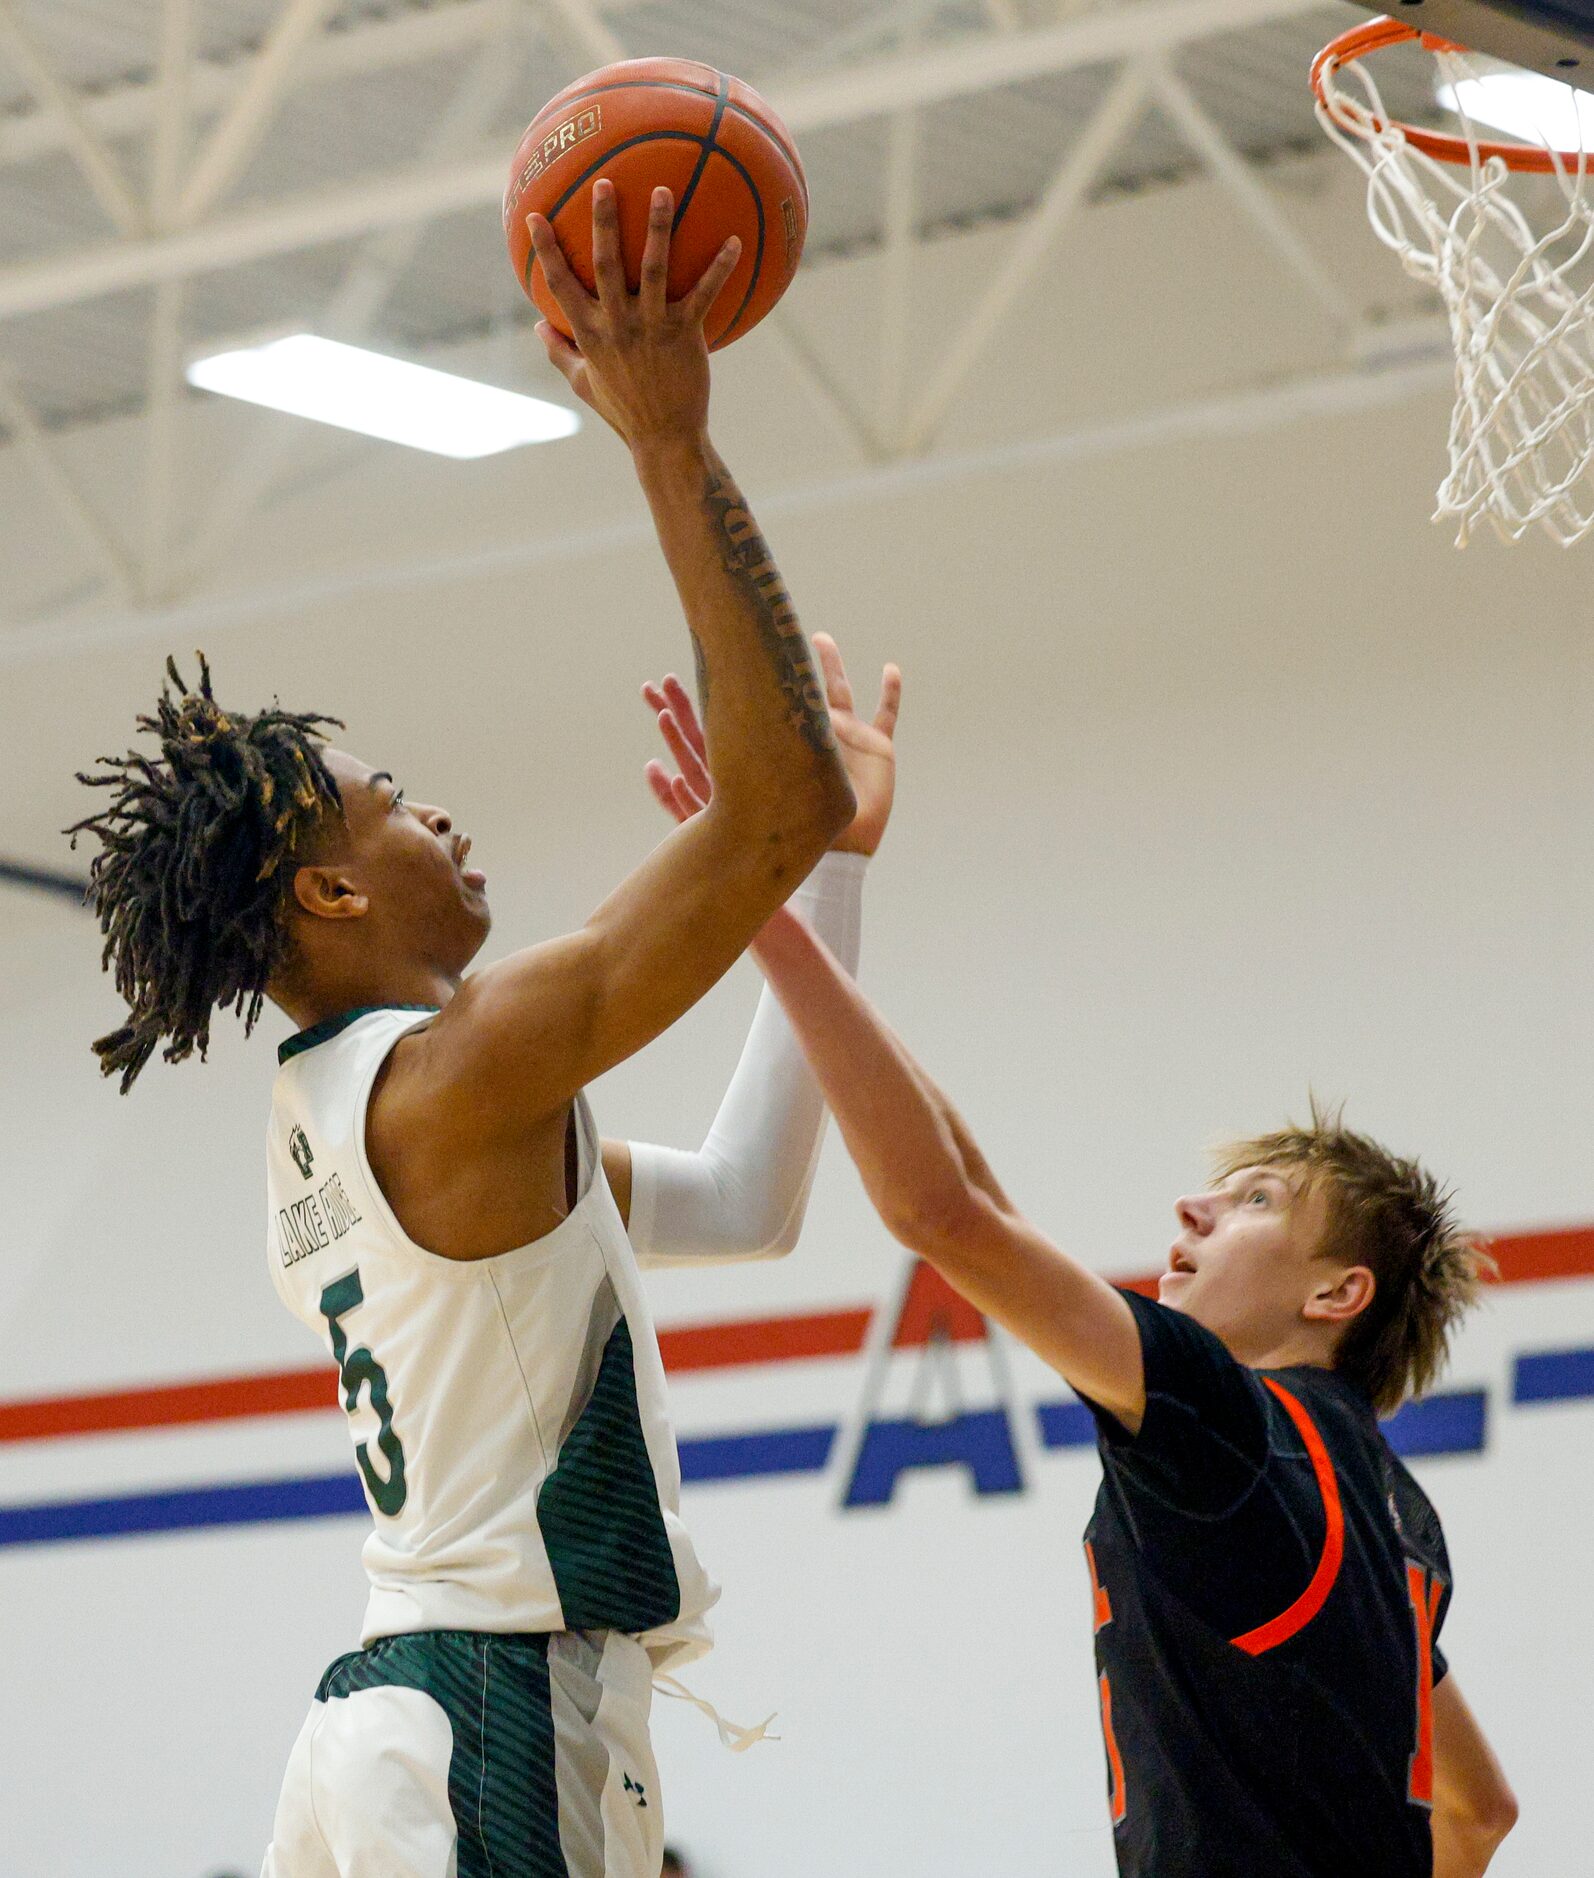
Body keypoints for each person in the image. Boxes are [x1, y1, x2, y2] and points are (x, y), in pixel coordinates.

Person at [67, 182, 903, 1878]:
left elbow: (751, 1199)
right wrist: (667, 445)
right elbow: (775, 793)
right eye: (386, 803)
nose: (435, 813)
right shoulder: (456, 1074)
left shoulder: (378, 1112)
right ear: (326, 897)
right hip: (486, 1713)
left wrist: (823, 880)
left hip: (404, 1713)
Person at [641, 681, 1519, 1878]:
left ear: (1337, 1294)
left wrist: (763, 904)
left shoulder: (1225, 1424)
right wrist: (826, 888)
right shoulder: (1393, 1516)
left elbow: (937, 1214)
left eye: (1257, 1202)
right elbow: (1478, 1815)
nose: (1193, 1206)